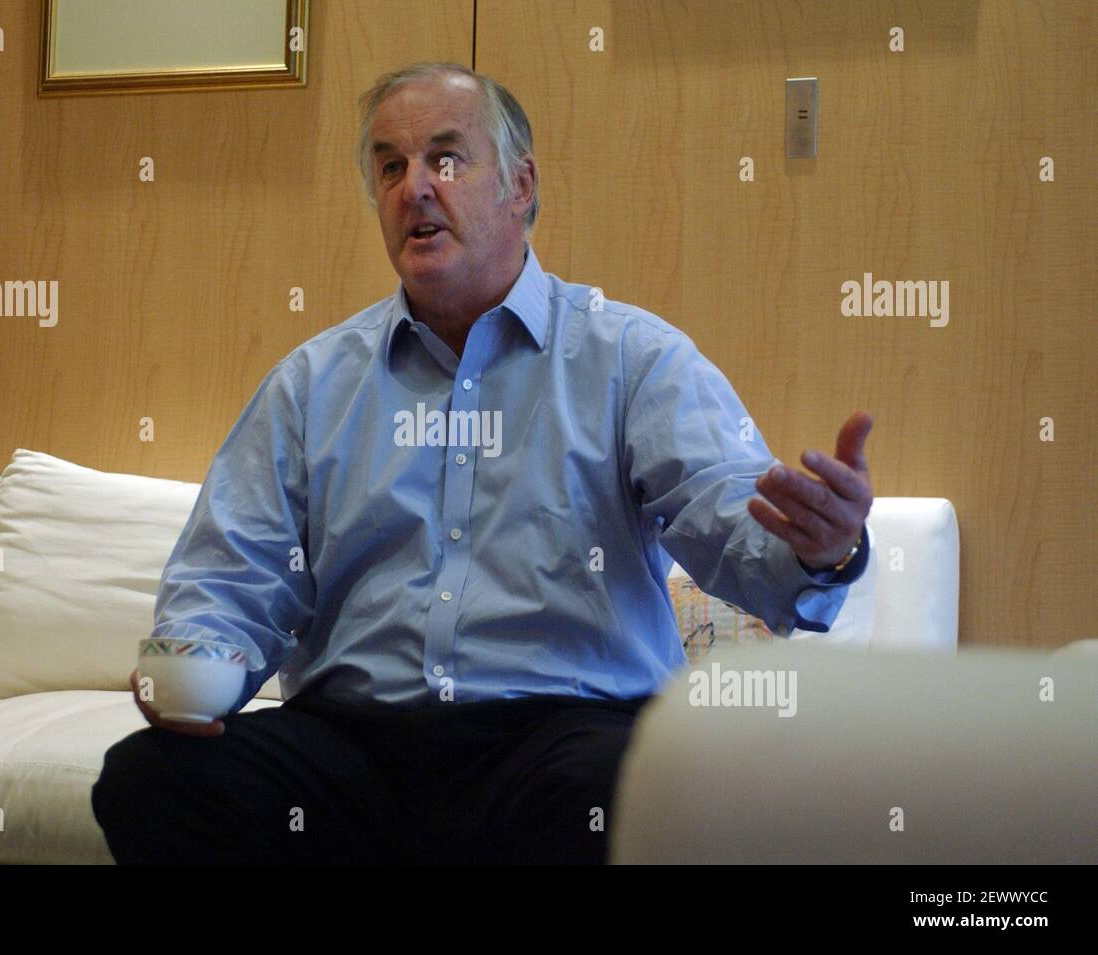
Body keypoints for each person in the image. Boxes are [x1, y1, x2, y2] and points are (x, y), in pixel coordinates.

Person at [91, 62, 874, 865]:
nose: (416, 188)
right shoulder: (313, 384)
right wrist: (192, 656)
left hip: (562, 736)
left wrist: (822, 546)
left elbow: (728, 514)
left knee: (626, 792)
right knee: (148, 778)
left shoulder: (629, 358)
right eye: (391, 167)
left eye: (447, 158)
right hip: (353, 745)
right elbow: (230, 572)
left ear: (521, 184)